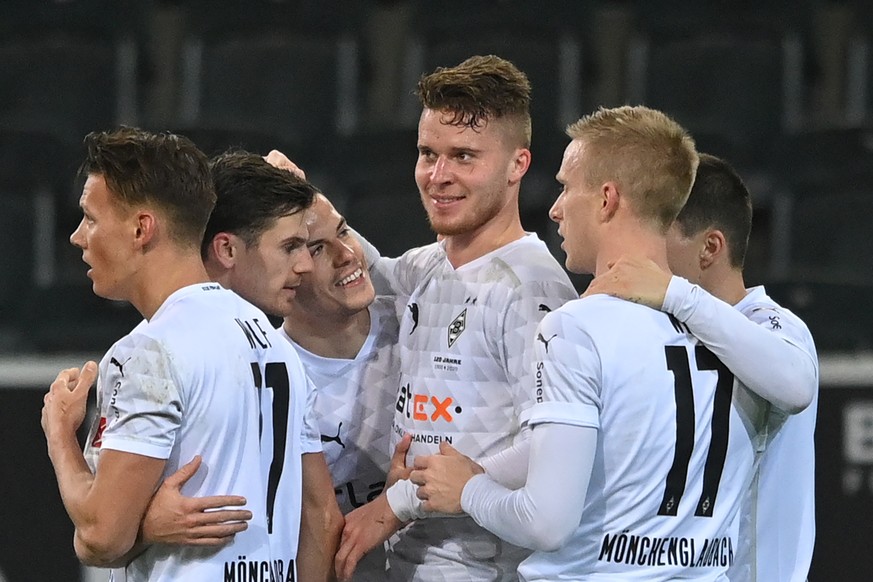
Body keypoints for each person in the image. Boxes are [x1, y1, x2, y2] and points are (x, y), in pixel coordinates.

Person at [408, 106, 804, 580]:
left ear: (606, 200)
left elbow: (546, 523)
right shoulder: (730, 336)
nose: (554, 207)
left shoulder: (575, 328)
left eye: (565, 187)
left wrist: (470, 491)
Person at [335, 54, 580, 581]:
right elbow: (370, 272)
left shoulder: (532, 288)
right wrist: (308, 201)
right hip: (412, 562)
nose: (438, 176)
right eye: (428, 154)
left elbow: (552, 448)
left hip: (485, 568)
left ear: (518, 165)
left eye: (464, 156)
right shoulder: (430, 262)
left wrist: (399, 503)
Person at [41, 128, 313, 580]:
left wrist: (58, 436)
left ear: (141, 228)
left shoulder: (149, 352)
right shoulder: (273, 341)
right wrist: (146, 526)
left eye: (90, 218)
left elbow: (100, 538)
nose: (77, 237)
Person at [584, 154, 819, 581]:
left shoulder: (772, 325)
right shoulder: (666, 333)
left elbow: (796, 384)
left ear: (710, 247)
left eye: (660, 233)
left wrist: (675, 293)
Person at [137, 151, 344, 581]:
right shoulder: (283, 353)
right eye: (290, 247)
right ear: (226, 248)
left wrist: (61, 443)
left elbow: (99, 535)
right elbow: (322, 515)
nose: (304, 266)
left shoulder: (158, 348)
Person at [279, 192, 406, 580]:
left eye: (344, 231)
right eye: (317, 248)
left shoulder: (420, 322)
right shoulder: (268, 375)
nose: (348, 254)